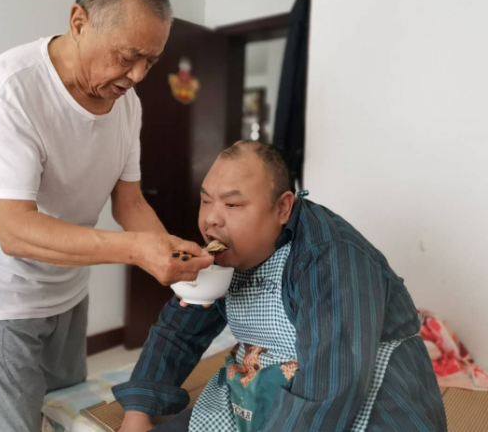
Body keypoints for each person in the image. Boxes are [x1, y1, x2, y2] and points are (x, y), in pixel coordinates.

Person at [0, 0, 213, 432]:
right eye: (127, 56)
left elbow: (129, 203)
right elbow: (14, 229)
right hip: (0, 291)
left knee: (63, 413)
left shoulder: (127, 105)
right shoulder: (11, 90)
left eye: (151, 61)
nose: (137, 75)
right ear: (78, 22)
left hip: (68, 287)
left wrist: (172, 255)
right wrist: (137, 250)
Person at [116, 141, 447, 432]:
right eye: (206, 201)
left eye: (232, 205)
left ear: (282, 207)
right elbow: (179, 330)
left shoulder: (331, 257)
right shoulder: (222, 254)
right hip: (259, 390)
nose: (211, 220)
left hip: (357, 397)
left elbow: (331, 384)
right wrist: (137, 414)